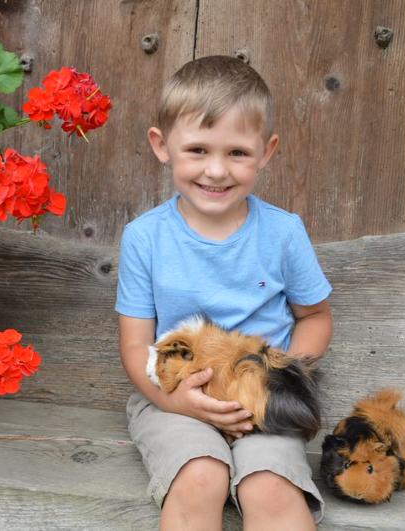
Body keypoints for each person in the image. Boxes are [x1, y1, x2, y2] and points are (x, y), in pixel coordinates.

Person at [116, 55, 333, 530]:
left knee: (269, 486)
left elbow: (316, 316)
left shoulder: (283, 233)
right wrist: (175, 401)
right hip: (173, 398)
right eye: (197, 150)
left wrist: (278, 383)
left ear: (267, 151)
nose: (216, 170)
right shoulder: (145, 238)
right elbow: (135, 344)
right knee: (200, 476)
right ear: (162, 145)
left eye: (237, 153)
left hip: (260, 401)